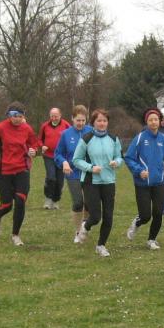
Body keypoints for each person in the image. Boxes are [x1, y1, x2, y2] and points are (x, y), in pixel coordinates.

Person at [0, 102, 41, 246]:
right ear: (9, 115)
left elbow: (35, 143)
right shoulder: (0, 128)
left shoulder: (27, 128)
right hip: (3, 172)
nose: (17, 119)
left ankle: (15, 235)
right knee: (7, 205)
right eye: (14, 116)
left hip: (22, 170)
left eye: (20, 116)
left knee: (20, 201)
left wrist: (34, 150)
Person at [72, 109, 123, 257]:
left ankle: (101, 245)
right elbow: (76, 160)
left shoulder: (113, 139)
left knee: (108, 216)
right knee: (95, 217)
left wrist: (116, 162)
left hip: (109, 181)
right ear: (93, 123)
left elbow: (119, 157)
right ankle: (85, 226)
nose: (102, 123)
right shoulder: (86, 139)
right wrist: (91, 167)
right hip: (90, 182)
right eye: (99, 121)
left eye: (104, 121)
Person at [124, 108, 164, 250]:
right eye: (150, 120)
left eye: (156, 119)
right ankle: (137, 223)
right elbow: (129, 158)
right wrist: (139, 171)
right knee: (145, 215)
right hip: (142, 183)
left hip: (160, 182)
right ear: (147, 121)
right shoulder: (140, 138)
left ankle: (151, 240)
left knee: (158, 213)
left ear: (159, 121)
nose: (153, 122)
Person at [53, 104, 93, 243]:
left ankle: (84, 227)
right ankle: (78, 231)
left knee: (89, 203)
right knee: (78, 202)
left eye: (83, 120)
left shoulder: (92, 132)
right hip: (73, 173)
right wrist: (64, 162)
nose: (80, 123)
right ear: (72, 118)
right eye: (78, 120)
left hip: (89, 172)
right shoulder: (66, 134)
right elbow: (58, 154)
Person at [38, 107, 70, 209]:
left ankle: (55, 200)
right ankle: (48, 199)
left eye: (56, 116)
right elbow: (39, 139)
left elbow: (71, 138)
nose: (54, 118)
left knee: (60, 181)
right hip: (48, 156)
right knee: (51, 177)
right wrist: (42, 146)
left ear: (60, 115)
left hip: (62, 157)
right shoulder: (45, 126)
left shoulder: (66, 125)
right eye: (52, 116)